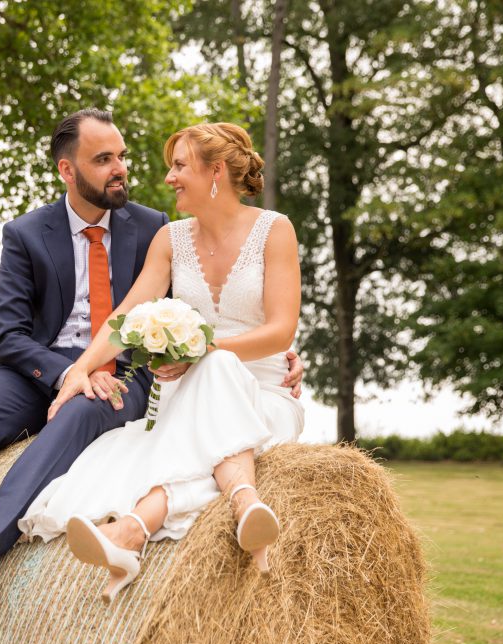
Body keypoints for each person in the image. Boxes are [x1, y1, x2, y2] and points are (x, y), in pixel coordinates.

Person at [0, 111, 304, 635]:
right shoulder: (26, 233)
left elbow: (205, 320)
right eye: (104, 159)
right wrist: (72, 372)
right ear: (68, 170)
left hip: (129, 375)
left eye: (122, 157)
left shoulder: (158, 226)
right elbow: (11, 334)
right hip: (43, 367)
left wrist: (275, 358)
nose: (122, 170)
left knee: (88, 407)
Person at [19, 122, 304, 603]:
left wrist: (202, 352)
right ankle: (241, 499)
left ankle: (136, 527)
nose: (168, 177)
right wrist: (82, 370)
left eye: (179, 166)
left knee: (214, 369)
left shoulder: (274, 230)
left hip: (262, 394)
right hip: (182, 398)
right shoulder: (171, 239)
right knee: (200, 412)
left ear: (215, 172)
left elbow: (281, 331)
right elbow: (124, 318)